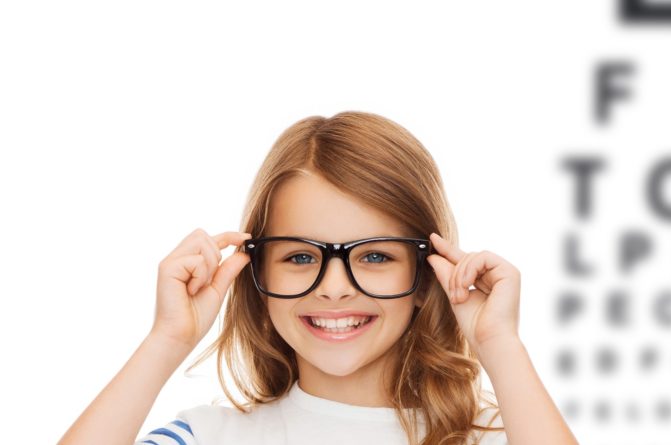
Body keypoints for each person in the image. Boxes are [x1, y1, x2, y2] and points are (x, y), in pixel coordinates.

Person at [58, 111, 578, 445]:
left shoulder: (501, 438)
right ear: (254, 273)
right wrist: (165, 341)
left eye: (374, 257)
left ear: (425, 278)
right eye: (301, 257)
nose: (334, 287)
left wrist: (500, 346)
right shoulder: (205, 437)